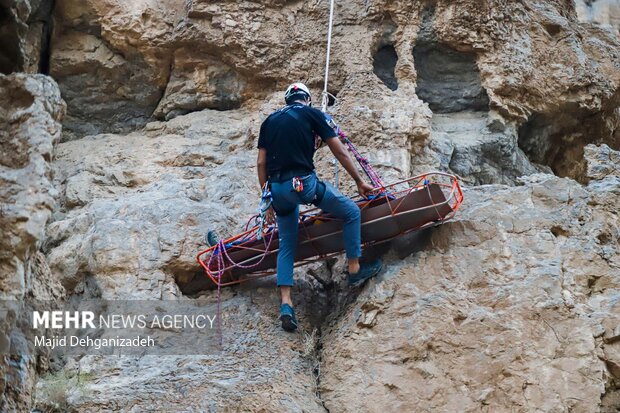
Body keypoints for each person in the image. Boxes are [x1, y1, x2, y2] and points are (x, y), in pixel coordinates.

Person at [257, 82, 383, 332]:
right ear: (307, 100)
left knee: (287, 243)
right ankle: (355, 268)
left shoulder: (269, 121)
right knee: (350, 211)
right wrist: (359, 182)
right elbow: (341, 152)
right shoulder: (314, 115)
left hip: (278, 190)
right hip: (303, 184)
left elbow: (261, 162)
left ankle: (286, 303)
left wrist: (267, 197)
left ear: (287, 100)